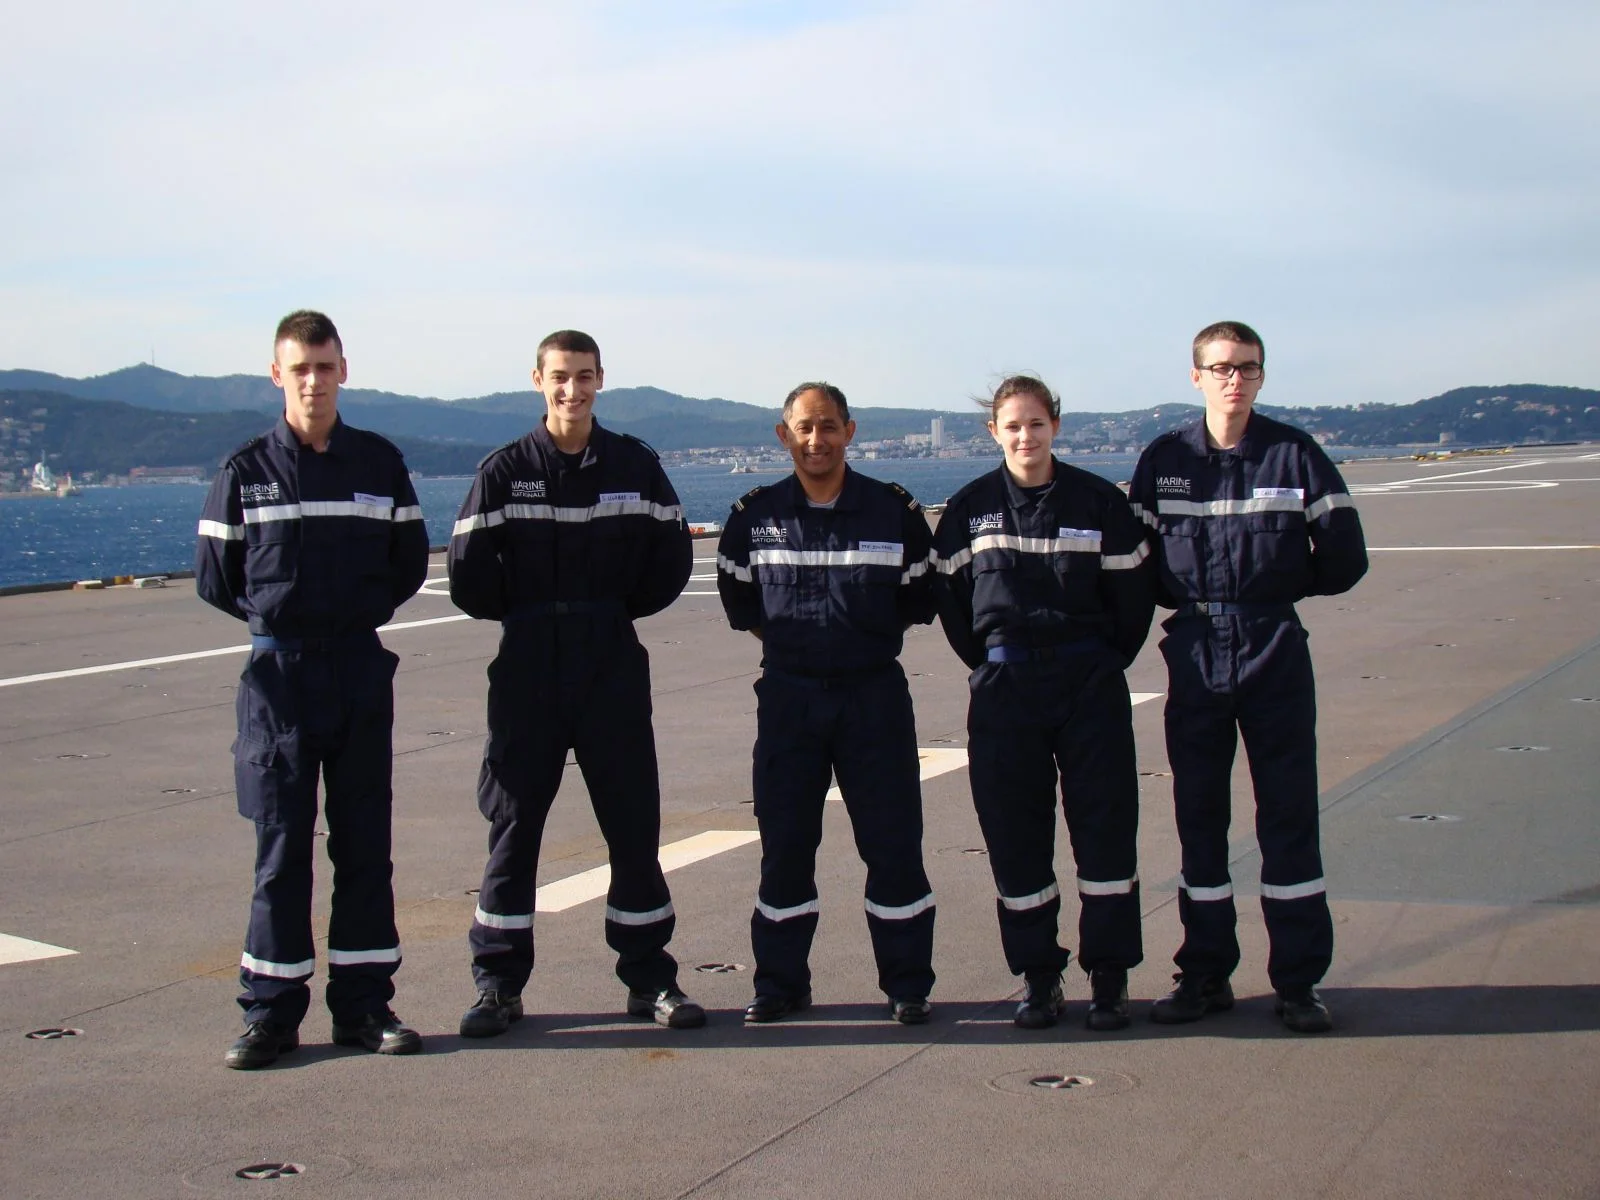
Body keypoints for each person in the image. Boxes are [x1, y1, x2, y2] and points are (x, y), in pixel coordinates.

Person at [448, 329, 703, 1035]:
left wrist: (610, 612)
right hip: (528, 666)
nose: (573, 389)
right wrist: (531, 617)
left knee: (632, 827)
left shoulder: (634, 464)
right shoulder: (502, 472)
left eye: (584, 376)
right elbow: (469, 576)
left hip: (610, 662)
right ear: (538, 380)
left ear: (600, 380)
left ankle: (651, 978)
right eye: (560, 376)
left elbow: (670, 559)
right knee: (514, 828)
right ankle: (498, 984)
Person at [195, 310, 429, 1069]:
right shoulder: (244, 473)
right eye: (299, 368)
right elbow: (217, 580)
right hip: (279, 683)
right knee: (281, 850)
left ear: (343, 370)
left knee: (366, 848)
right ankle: (270, 1013)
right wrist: (284, 621)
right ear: (277, 374)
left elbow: (405, 567)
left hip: (358, 673)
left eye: (325, 367)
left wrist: (344, 622)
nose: (313, 381)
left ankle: (364, 1007)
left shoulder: (379, 464)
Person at [1129, 320, 1368, 1034]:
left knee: (1289, 818)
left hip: (1272, 645)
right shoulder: (1164, 459)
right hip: (1198, 648)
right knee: (1199, 819)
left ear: (1262, 377)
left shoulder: (1294, 454)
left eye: (1250, 368)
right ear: (1196, 376)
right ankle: (1205, 974)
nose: (1237, 379)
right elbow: (1136, 559)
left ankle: (1298, 982)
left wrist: (1277, 588)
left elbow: (1346, 555)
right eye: (1224, 368)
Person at [933, 375, 1154, 1030]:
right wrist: (995, 666)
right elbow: (953, 608)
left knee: (1105, 834)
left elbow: (1133, 606)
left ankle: (1109, 978)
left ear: (1055, 424)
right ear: (993, 432)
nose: (1025, 436)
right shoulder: (967, 510)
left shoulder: (1099, 503)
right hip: (1006, 692)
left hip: (1090, 687)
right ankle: (1039, 977)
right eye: (1013, 425)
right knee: (1016, 839)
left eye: (1036, 423)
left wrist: (1098, 664)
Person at [716, 382, 938, 1025]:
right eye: (805, 428)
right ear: (784, 435)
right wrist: (802, 650)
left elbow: (919, 598)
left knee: (893, 843)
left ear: (851, 431)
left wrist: (853, 644)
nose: (818, 440)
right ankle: (780, 983)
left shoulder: (892, 511)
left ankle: (907, 984)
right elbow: (742, 606)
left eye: (830, 427)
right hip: (788, 698)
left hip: (874, 697)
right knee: (785, 845)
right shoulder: (753, 516)